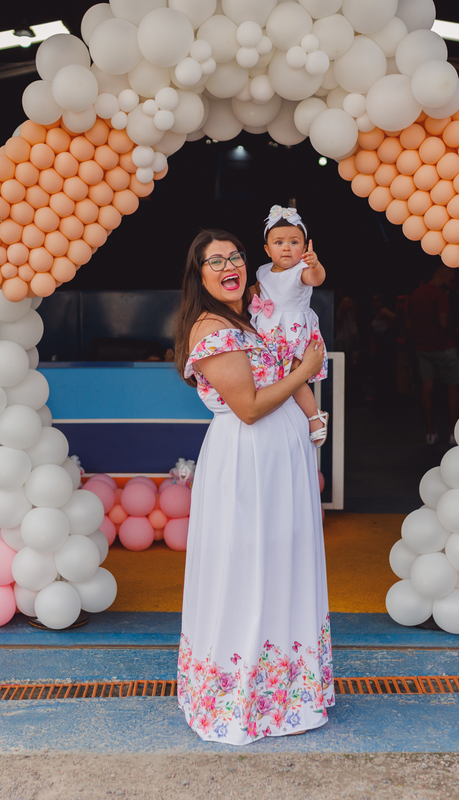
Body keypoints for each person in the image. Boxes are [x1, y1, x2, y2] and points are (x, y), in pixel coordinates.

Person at [173, 229, 334, 745]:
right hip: (247, 461)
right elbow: (248, 408)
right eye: (214, 261)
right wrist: (307, 369)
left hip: (280, 460)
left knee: (283, 567)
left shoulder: (252, 315)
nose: (229, 265)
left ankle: (288, 695)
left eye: (235, 255)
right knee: (247, 570)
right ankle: (240, 700)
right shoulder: (211, 328)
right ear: (199, 276)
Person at [247, 205, 329, 445]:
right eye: (279, 242)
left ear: (304, 249)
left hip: (291, 332)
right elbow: (256, 293)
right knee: (269, 375)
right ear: (267, 249)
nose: (286, 247)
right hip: (267, 330)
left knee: (294, 374)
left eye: (294, 242)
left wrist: (314, 265)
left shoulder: (301, 271)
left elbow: (317, 279)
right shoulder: (262, 271)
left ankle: (315, 417)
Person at [408, 265, 459, 445]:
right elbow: (444, 322)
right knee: (452, 387)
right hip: (443, 347)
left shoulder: (416, 294)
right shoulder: (439, 295)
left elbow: (409, 323)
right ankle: (454, 431)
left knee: (427, 386)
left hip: (423, 348)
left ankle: (430, 431)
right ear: (446, 276)